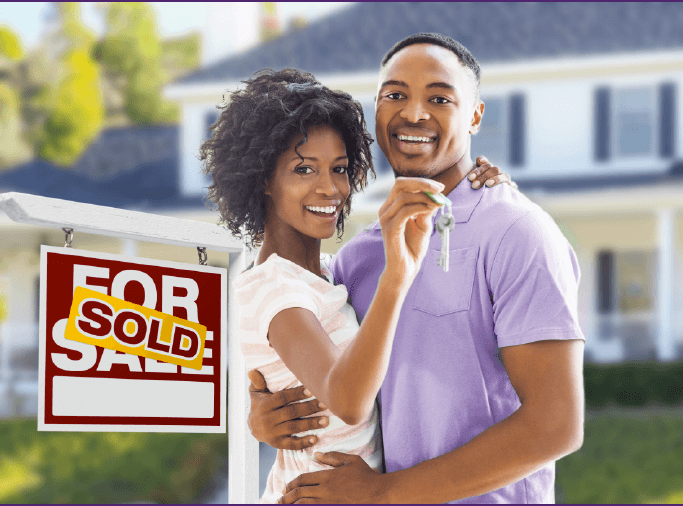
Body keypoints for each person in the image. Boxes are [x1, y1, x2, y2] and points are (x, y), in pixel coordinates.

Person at [247, 33, 586, 504]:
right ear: (378, 109)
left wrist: (384, 493)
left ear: (474, 116)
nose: (414, 113)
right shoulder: (357, 259)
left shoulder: (518, 233)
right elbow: (339, 386)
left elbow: (555, 425)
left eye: (440, 98)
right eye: (396, 95)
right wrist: (262, 417)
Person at [200, 68, 512, 504]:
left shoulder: (328, 273)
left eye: (340, 168)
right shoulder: (274, 287)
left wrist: (486, 192)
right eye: (304, 168)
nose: (330, 188)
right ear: (263, 180)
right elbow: (347, 400)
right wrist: (395, 279)